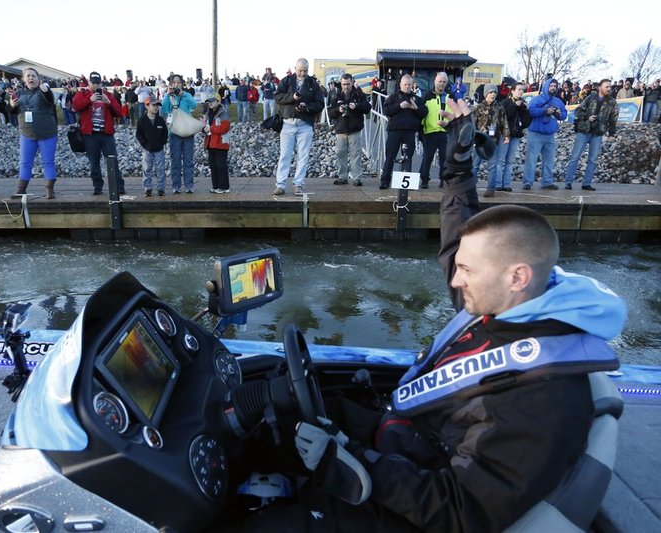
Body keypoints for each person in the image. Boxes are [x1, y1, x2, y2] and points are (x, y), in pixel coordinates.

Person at [225, 98, 627, 532]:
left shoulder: (539, 398)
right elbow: (464, 244)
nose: (455, 280)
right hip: (408, 440)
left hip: (414, 503)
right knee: (282, 420)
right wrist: (457, 172)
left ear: (516, 276)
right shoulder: (517, 305)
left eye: (467, 273)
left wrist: (356, 464)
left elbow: (461, 511)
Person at [273, 58, 324, 195]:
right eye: (300, 70)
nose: (302, 73)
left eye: (305, 71)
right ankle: (281, 184)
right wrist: (292, 98)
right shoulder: (287, 81)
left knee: (303, 155)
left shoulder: (313, 83)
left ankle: (299, 184)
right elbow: (277, 96)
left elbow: (320, 104)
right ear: (295, 68)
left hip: (305, 124)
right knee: (285, 155)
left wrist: (306, 107)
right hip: (288, 122)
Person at [72, 71, 125, 195]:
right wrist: (89, 100)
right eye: (93, 83)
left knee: (112, 160)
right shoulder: (83, 93)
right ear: (89, 83)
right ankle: (98, 187)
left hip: (106, 134)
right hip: (90, 135)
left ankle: (119, 186)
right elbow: (75, 106)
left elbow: (119, 112)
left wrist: (109, 103)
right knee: (94, 161)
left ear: (101, 83)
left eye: (98, 83)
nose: (96, 85)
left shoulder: (108, 95)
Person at [9, 67, 59, 199]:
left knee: (48, 162)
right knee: (25, 162)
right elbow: (11, 111)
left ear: (39, 79)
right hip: (27, 133)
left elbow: (50, 99)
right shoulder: (18, 93)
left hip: (47, 133)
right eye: (28, 76)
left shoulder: (44, 91)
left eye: (33, 76)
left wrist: (46, 91)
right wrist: (11, 106)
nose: (31, 78)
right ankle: (21, 189)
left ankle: (49, 190)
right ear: (24, 79)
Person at [563, 79, 619, 192]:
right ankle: (568, 182)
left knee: (593, 160)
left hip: (598, 133)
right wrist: (587, 116)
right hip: (584, 130)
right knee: (575, 157)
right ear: (600, 87)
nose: (609, 89)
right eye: (607, 87)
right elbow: (578, 111)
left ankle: (587, 183)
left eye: (610, 87)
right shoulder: (590, 98)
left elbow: (613, 120)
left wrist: (612, 134)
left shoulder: (613, 102)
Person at [378, 74, 426, 188]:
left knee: (408, 158)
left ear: (412, 85)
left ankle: (405, 183)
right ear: (400, 84)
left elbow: (424, 113)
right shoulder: (393, 97)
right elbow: (386, 110)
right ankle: (385, 181)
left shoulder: (417, 99)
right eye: (405, 84)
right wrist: (399, 106)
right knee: (390, 156)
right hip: (395, 131)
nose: (407, 87)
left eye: (409, 84)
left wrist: (416, 108)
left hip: (409, 132)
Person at [522, 78, 567, 190]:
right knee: (531, 160)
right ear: (546, 87)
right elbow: (530, 112)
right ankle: (528, 182)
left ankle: (547, 182)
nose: (553, 88)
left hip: (550, 136)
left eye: (555, 86)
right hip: (535, 134)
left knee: (549, 161)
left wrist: (558, 114)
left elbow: (564, 115)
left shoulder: (558, 101)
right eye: (551, 86)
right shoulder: (537, 99)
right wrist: (544, 111)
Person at [327, 74, 372, 187]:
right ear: (340, 84)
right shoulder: (336, 96)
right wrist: (338, 109)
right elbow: (330, 113)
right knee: (340, 153)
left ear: (352, 82)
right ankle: (342, 177)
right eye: (343, 84)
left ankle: (356, 177)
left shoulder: (359, 94)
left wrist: (356, 106)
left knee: (355, 155)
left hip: (354, 129)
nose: (345, 87)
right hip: (341, 129)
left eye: (347, 84)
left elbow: (367, 108)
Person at [492, 82, 531, 193]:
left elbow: (527, 123)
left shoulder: (523, 105)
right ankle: (498, 184)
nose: (521, 92)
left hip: (515, 135)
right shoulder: (505, 102)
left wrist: (525, 110)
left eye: (522, 90)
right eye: (519, 89)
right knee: (500, 160)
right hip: (504, 135)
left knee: (509, 161)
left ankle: (507, 184)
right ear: (512, 91)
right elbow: (502, 117)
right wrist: (515, 106)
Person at [161, 74, 198, 194]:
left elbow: (194, 105)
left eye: (179, 82)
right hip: (174, 132)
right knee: (175, 160)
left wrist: (183, 95)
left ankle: (189, 185)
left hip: (187, 132)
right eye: (174, 82)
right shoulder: (169, 96)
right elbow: (164, 110)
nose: (176, 85)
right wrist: (167, 95)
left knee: (188, 160)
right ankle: (176, 186)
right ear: (171, 84)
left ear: (182, 84)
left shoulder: (186, 95)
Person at [473, 83, 509, 197]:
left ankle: (490, 189)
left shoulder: (500, 108)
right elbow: (472, 124)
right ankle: (470, 187)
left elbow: (504, 123)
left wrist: (506, 135)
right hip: (479, 141)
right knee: (474, 165)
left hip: (493, 142)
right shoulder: (478, 108)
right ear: (485, 94)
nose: (493, 94)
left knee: (492, 165)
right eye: (490, 92)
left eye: (494, 92)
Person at [419, 72, 451, 189]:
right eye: (440, 81)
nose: (441, 84)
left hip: (446, 132)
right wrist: (421, 131)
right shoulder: (427, 96)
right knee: (427, 157)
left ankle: (444, 180)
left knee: (445, 158)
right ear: (435, 82)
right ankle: (424, 180)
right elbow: (421, 114)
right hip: (430, 132)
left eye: (444, 82)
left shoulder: (450, 97)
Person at [135, 95, 168, 197]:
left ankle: (161, 188)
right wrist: (144, 144)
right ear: (147, 106)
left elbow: (165, 133)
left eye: (157, 105)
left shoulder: (161, 120)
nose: (156, 107)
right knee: (147, 169)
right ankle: (148, 188)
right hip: (147, 150)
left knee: (161, 169)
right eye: (153, 105)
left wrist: (163, 142)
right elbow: (138, 134)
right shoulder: (142, 120)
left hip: (159, 149)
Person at [203, 94, 231, 193]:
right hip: (211, 143)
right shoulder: (208, 113)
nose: (210, 103)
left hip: (221, 144)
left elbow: (225, 128)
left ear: (218, 101)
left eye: (212, 101)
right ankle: (215, 186)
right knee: (213, 165)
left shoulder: (223, 113)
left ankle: (224, 187)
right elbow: (206, 126)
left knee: (221, 166)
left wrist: (210, 128)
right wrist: (204, 129)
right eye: (208, 101)